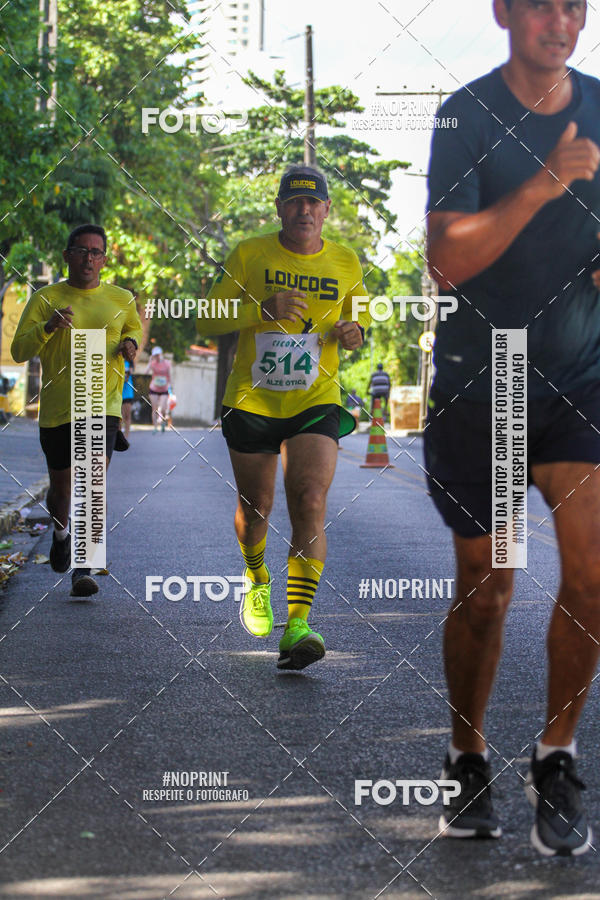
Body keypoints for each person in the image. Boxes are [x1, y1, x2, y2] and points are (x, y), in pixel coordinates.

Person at [425, 0, 600, 855]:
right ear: (504, 10)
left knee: (595, 575)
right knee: (489, 592)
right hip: (487, 383)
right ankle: (466, 752)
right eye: (542, 3)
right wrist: (546, 181)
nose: (561, 21)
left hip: (582, 379)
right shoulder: (466, 115)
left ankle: (558, 754)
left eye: (578, 5)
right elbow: (447, 256)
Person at [198, 164, 370, 670]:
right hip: (253, 400)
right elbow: (206, 317)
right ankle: (256, 580)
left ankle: (297, 625)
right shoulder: (250, 254)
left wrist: (354, 334)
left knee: (310, 497)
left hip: (315, 398)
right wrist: (261, 309)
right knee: (257, 508)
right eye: (294, 202)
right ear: (279, 208)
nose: (304, 210)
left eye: (313, 202)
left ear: (326, 210)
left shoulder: (345, 261)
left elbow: (354, 321)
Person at [11, 224, 142, 596]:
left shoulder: (121, 298)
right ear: (67, 255)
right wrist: (49, 326)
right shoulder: (45, 298)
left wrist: (131, 344)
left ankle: (83, 566)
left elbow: (133, 331)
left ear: (104, 259)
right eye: (81, 251)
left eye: (96, 252)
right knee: (62, 491)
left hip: (103, 403)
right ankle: (60, 532)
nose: (89, 258)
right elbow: (19, 351)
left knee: (93, 483)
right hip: (58, 409)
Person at [145, 346, 172, 433]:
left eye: (157, 355)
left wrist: (171, 386)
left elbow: (169, 375)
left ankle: (163, 422)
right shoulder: (153, 363)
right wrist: (150, 361)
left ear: (161, 354)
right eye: (154, 355)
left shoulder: (167, 363)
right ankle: (155, 427)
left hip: (164, 389)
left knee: (163, 408)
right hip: (154, 388)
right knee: (154, 408)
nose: (156, 357)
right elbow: (146, 372)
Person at [121, 358, 135, 439]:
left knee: (127, 415)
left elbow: (131, 372)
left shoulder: (130, 362)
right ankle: (119, 436)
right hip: (119, 391)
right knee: (120, 416)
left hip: (128, 392)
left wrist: (126, 375)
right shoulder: (117, 360)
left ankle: (126, 437)